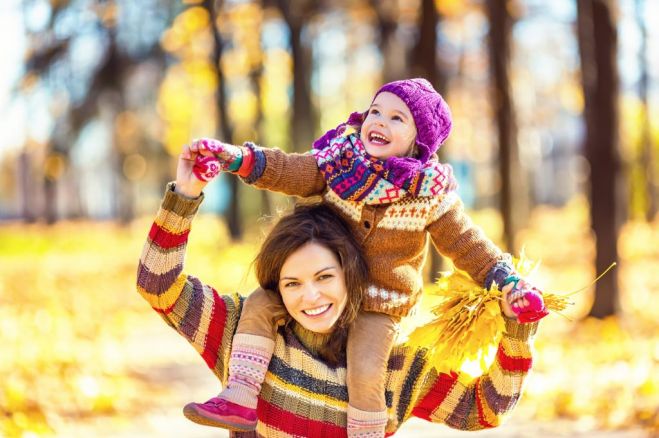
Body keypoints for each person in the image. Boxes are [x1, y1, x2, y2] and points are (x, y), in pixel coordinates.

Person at [183, 78, 548, 437]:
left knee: (366, 365)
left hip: (378, 303)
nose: (379, 122)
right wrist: (237, 159)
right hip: (321, 281)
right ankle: (241, 394)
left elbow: (468, 246)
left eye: (396, 118)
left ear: (419, 139)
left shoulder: (430, 196)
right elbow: (288, 170)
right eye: (376, 111)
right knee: (261, 302)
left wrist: (508, 280)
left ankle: (366, 431)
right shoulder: (339, 163)